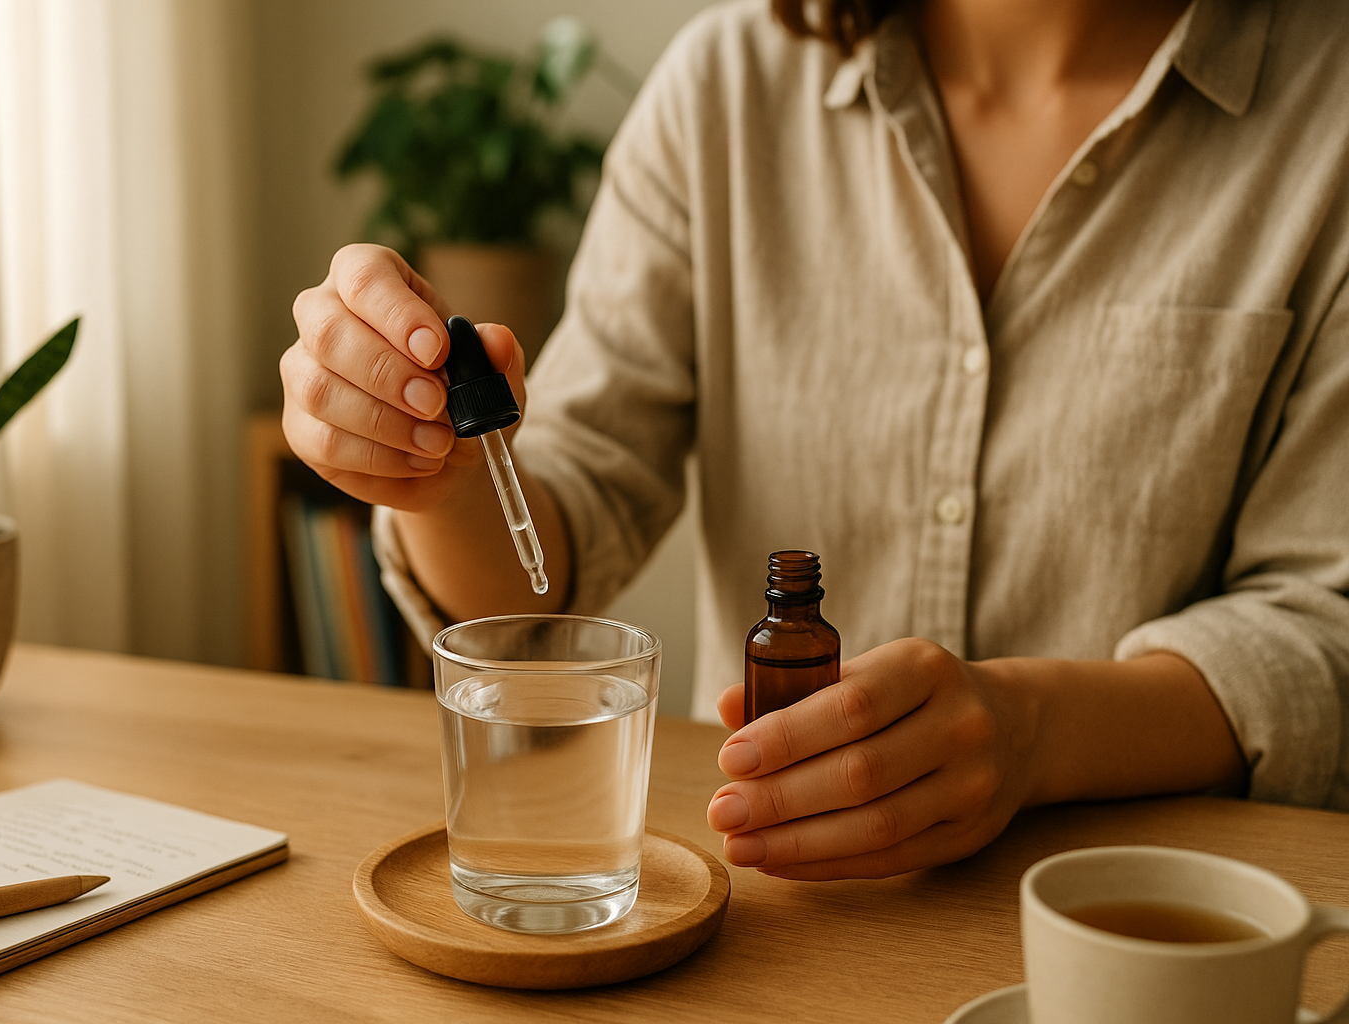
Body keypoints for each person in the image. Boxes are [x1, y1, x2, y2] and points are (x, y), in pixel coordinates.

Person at [282, 0, 1349, 880]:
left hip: (1143, 913)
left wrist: (1034, 729)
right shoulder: (724, 95)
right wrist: (438, 470)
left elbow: (1323, 632)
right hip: (764, 927)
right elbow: (549, 556)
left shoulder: (1327, 114)